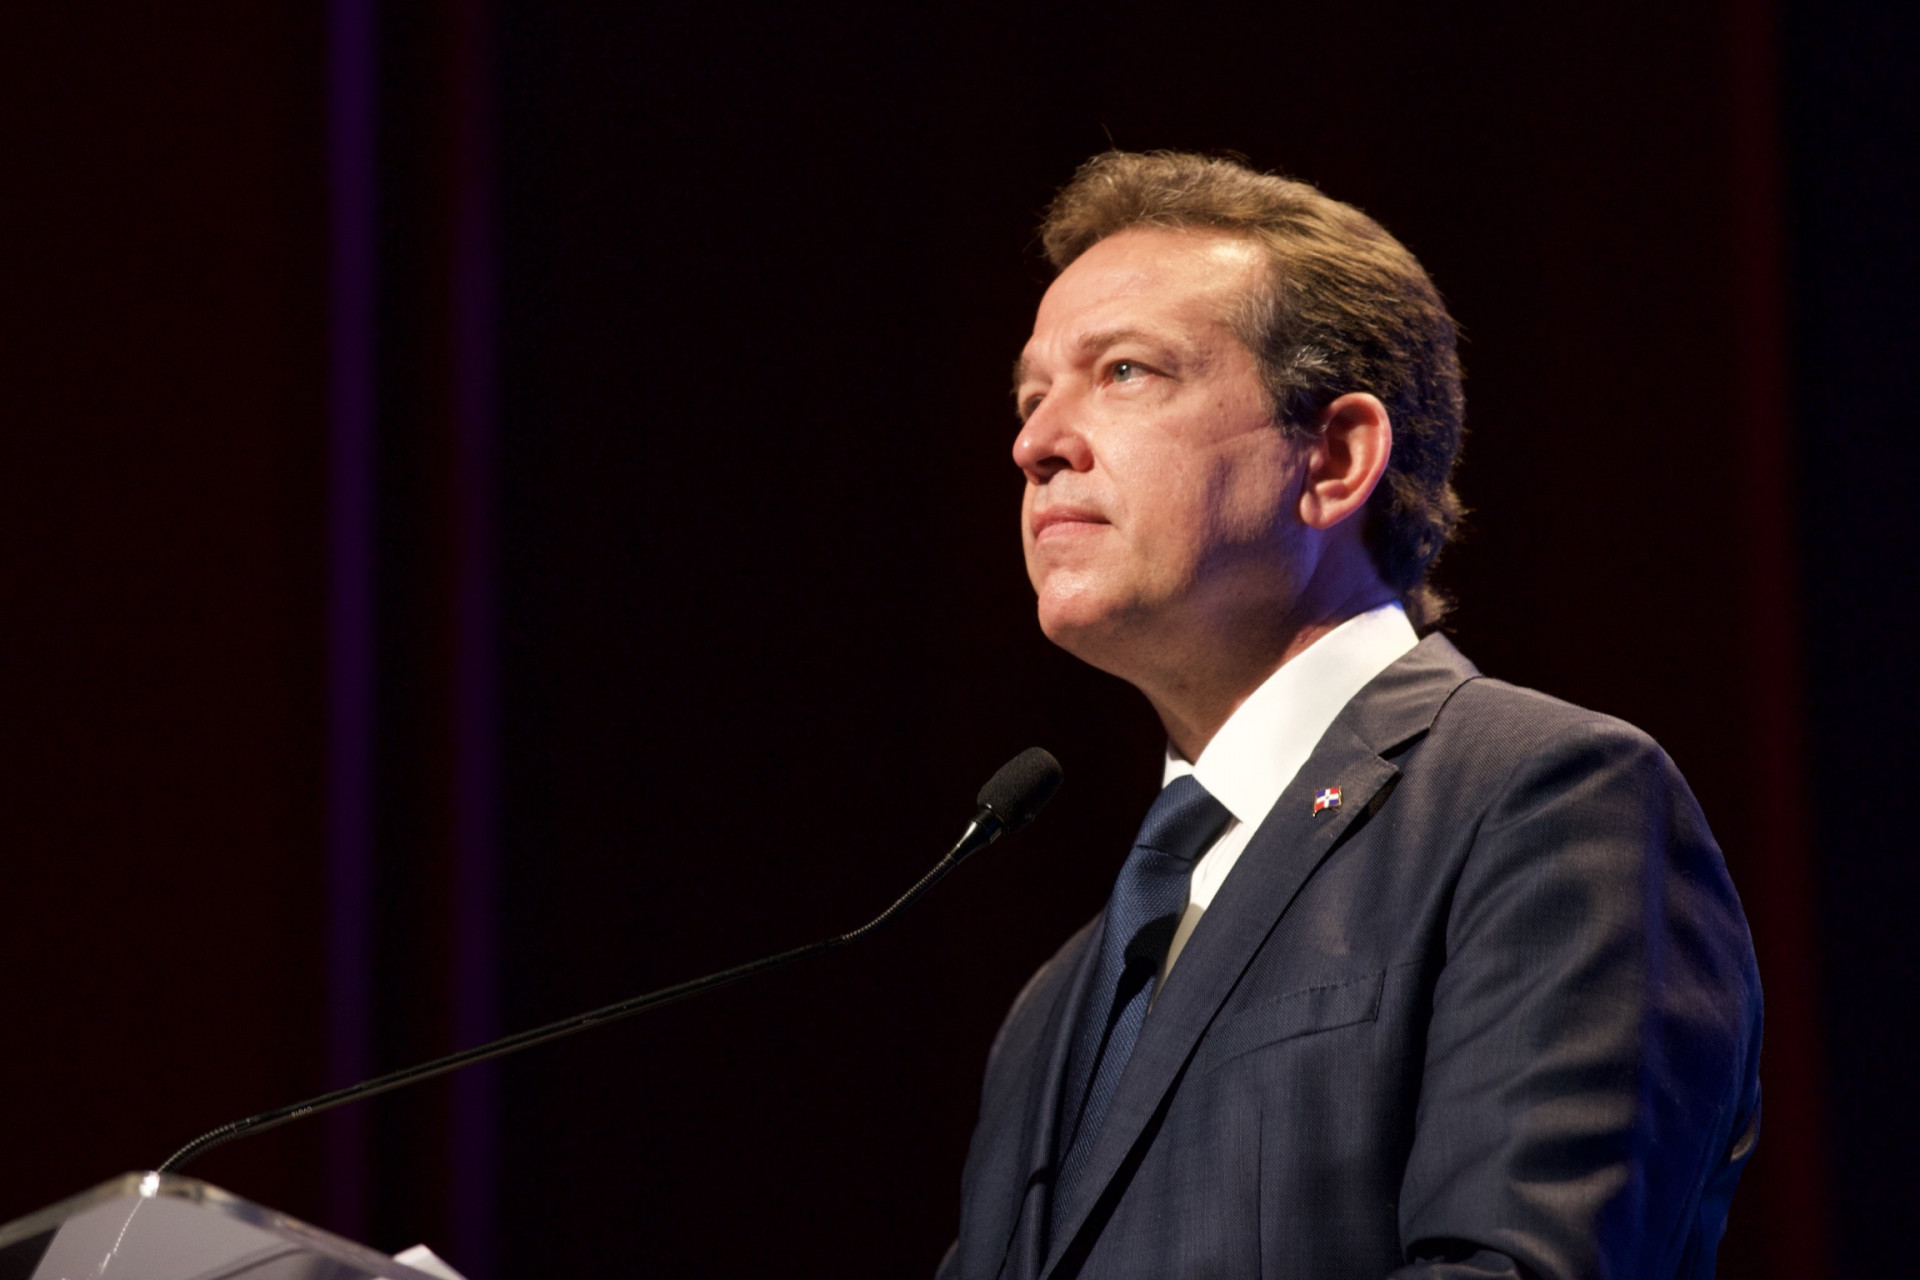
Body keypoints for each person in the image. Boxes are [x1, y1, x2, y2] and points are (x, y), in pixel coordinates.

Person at [938, 151, 1762, 1280]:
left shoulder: (1543, 802)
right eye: (1032, 397)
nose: (1035, 443)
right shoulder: (1053, 1010)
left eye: (1124, 371)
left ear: (1333, 458)